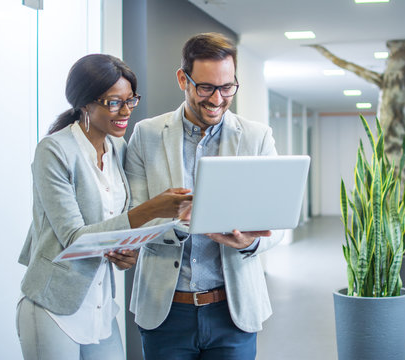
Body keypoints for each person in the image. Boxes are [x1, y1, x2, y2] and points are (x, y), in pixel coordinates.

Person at [16, 54, 192, 360]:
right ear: (84, 103)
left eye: (130, 100)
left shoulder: (117, 148)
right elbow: (75, 238)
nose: (125, 111)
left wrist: (124, 252)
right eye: (114, 102)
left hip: (100, 305)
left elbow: (113, 224)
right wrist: (152, 209)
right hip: (53, 304)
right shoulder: (54, 151)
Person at [125, 32, 284, 359]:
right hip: (166, 313)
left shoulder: (257, 138)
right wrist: (177, 221)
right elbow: (133, 215)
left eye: (227, 88)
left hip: (232, 310)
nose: (217, 99)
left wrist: (250, 242)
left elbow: (276, 222)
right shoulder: (146, 135)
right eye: (206, 87)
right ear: (183, 78)